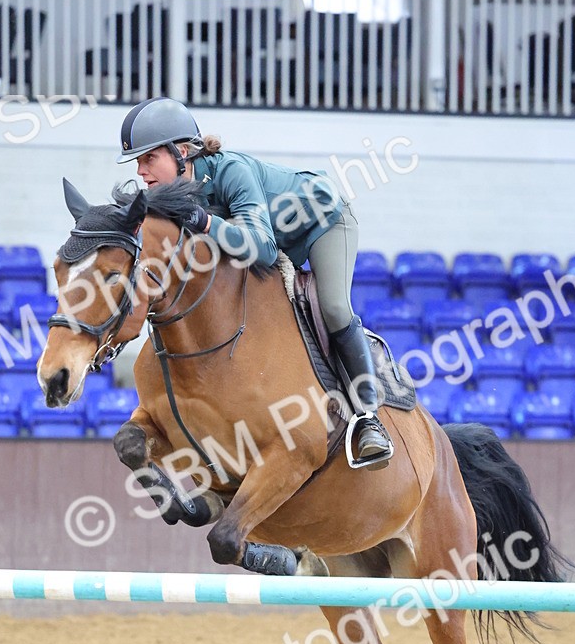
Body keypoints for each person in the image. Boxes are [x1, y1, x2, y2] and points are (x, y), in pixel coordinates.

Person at [116, 96, 392, 466]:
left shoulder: (232, 172)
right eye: (138, 161)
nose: (140, 170)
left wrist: (204, 221)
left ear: (182, 152)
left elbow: (261, 248)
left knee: (334, 306)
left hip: (323, 220)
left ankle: (368, 418)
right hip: (276, 238)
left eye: (149, 158)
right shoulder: (169, 197)